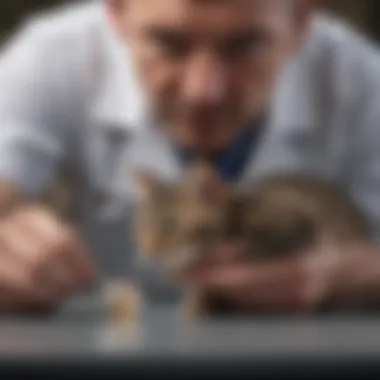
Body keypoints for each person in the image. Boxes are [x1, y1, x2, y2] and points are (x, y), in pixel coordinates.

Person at [0, 0, 380, 313]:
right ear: (116, 13)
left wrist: (348, 275)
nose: (203, 91)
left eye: (244, 46)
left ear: (301, 24)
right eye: (169, 43)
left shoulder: (362, 81)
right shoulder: (49, 60)